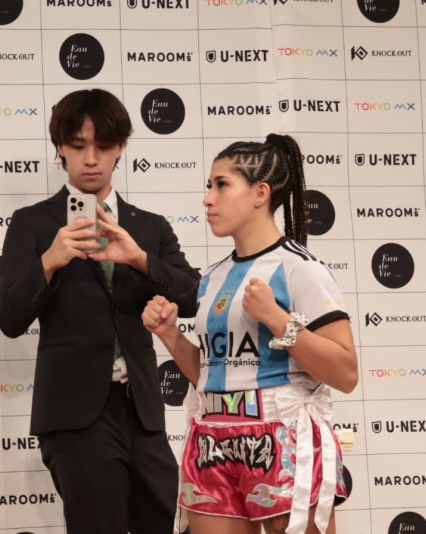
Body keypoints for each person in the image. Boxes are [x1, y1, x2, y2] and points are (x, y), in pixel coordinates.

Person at [0, 88, 201, 534]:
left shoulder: (149, 227)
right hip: (75, 415)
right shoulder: (32, 223)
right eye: (78, 145)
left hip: (143, 411)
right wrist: (49, 261)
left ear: (121, 148)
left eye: (104, 146)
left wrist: (140, 259)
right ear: (60, 149)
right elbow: (10, 319)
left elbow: (192, 297)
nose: (91, 159)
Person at [142, 134, 358, 534]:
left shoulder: (300, 268)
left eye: (222, 185)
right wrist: (170, 335)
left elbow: (346, 373)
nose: (208, 199)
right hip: (211, 437)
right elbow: (211, 374)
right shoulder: (211, 278)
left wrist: (277, 320)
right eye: (209, 186)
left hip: (283, 435)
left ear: (260, 193)